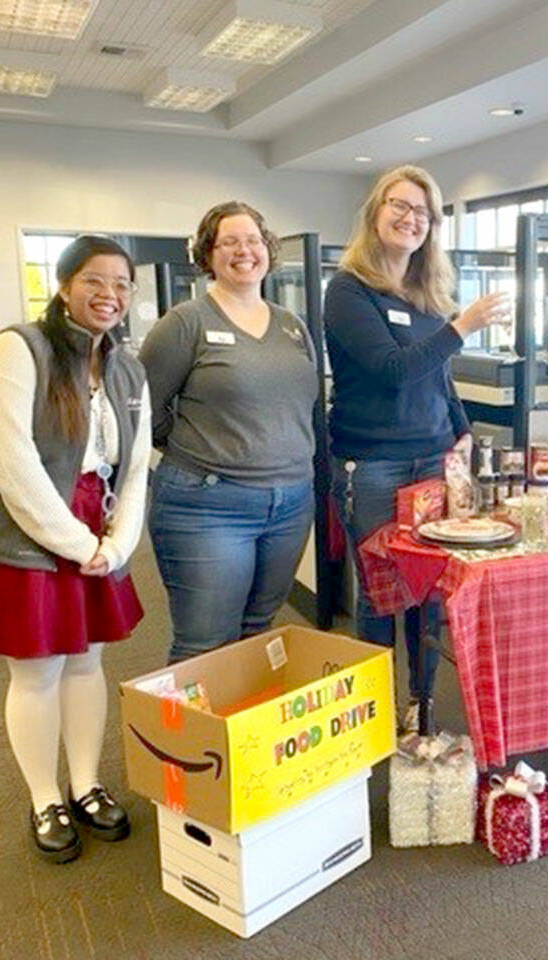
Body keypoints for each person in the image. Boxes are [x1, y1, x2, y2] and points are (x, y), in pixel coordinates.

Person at [0, 235, 150, 863]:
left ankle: (85, 785)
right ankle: (44, 797)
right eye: (94, 280)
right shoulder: (17, 348)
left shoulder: (125, 365)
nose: (109, 295)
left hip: (95, 527)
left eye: (121, 284)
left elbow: (135, 464)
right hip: (25, 531)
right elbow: (10, 462)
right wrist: (79, 542)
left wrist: (118, 543)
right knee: (38, 671)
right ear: (63, 285)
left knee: (87, 662)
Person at [324, 165, 511, 731]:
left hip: (431, 459)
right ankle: (374, 710)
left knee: (427, 591)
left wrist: (461, 430)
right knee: (382, 596)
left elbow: (436, 378)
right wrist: (463, 325)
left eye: (422, 212)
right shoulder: (349, 290)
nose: (410, 219)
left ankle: (420, 703)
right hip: (374, 465)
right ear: (375, 213)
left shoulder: (425, 294)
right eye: (399, 206)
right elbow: (392, 371)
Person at [141, 202, 318, 664]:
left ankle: (244, 737)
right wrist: (199, 448)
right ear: (208, 253)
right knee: (205, 642)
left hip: (291, 502)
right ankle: (188, 739)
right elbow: (143, 410)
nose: (245, 251)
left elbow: (303, 403)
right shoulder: (186, 323)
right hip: (208, 504)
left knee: (259, 631)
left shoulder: (291, 326)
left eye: (254, 240)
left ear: (268, 249)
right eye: (230, 242)